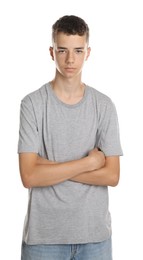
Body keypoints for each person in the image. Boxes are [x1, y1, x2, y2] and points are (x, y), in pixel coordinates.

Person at [18, 15, 123, 260]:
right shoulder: (32, 104)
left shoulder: (103, 105)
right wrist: (89, 163)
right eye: (62, 50)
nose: (70, 59)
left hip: (95, 237)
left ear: (88, 52)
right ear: (51, 52)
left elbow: (112, 175)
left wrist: (49, 166)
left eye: (78, 50)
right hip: (44, 239)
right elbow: (29, 176)